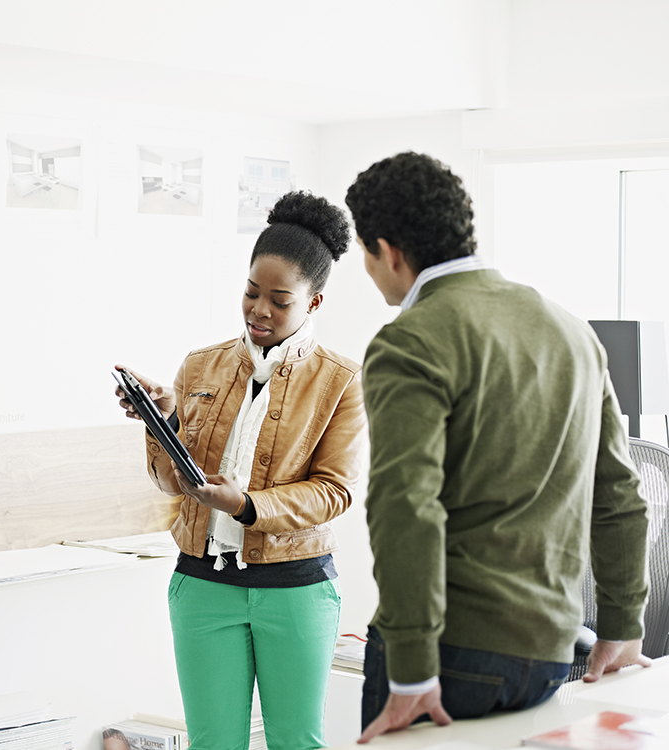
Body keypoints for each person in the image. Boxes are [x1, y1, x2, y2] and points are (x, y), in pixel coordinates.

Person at [343, 151, 652, 743]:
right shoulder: (569, 330)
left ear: (389, 251)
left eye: (364, 254)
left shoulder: (410, 341)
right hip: (550, 651)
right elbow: (619, 494)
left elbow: (406, 508)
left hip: (445, 655)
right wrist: (622, 624)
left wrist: (410, 670)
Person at [114, 190, 368, 750]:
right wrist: (166, 421)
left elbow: (335, 492)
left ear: (314, 304)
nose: (259, 310)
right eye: (252, 293)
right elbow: (168, 480)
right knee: (212, 743)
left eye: (280, 300)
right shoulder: (200, 365)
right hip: (202, 585)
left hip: (295, 589)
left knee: (295, 742)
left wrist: (247, 506)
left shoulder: (340, 381)